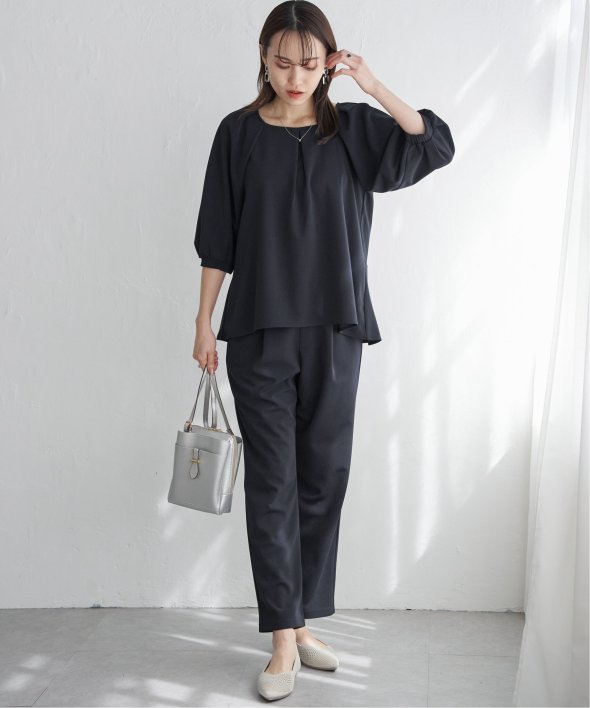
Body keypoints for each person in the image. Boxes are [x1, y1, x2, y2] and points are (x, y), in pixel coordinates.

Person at [192, 0, 455, 700]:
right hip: (259, 333)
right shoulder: (237, 134)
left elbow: (432, 144)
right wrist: (202, 321)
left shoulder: (354, 130)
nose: (295, 76)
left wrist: (371, 83)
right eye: (282, 62)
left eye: (310, 64)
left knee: (323, 480)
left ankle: (302, 621)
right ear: (263, 58)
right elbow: (217, 236)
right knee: (272, 483)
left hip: (337, 332)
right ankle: (283, 641)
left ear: (328, 63)